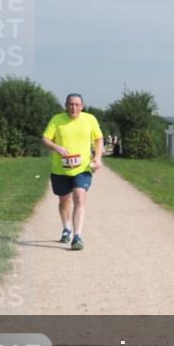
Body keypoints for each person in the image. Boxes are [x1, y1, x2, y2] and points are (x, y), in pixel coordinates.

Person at [41, 93, 104, 251]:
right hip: (60, 169)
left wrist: (97, 157)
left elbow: (98, 139)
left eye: (77, 104)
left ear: (82, 106)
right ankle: (67, 228)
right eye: (70, 104)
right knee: (64, 201)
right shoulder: (57, 119)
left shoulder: (90, 119)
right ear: (66, 105)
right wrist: (56, 147)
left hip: (83, 168)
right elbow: (45, 139)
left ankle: (77, 237)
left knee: (79, 196)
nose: (73, 107)